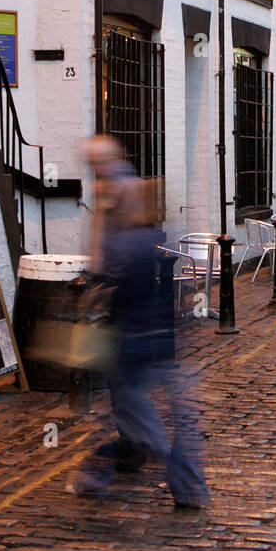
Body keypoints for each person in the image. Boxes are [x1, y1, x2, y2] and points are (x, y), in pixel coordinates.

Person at [67, 136, 210, 508]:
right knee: (168, 413)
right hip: (152, 328)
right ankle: (185, 487)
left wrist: (97, 288)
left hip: (133, 331)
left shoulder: (114, 202)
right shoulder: (129, 195)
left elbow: (105, 268)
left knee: (139, 415)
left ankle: (119, 468)